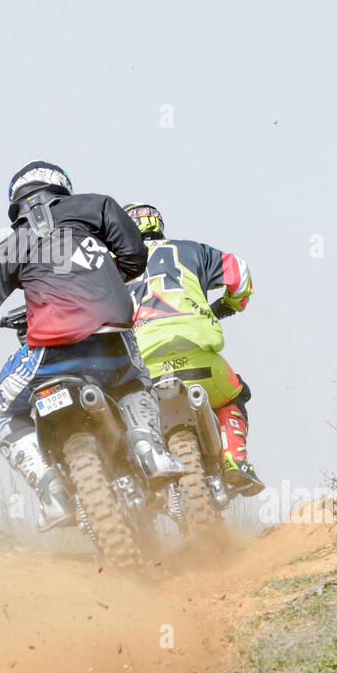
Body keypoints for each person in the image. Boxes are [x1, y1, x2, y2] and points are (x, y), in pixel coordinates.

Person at [0, 163, 182, 525]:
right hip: (111, 338)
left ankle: (52, 492)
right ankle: (150, 449)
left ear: (16, 204)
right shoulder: (98, 206)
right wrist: (102, 276)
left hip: (51, 354)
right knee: (136, 380)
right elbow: (134, 255)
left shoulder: (10, 246)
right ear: (62, 190)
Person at [123, 202, 263, 496]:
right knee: (233, 397)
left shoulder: (112, 268)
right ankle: (235, 462)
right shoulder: (191, 250)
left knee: (122, 421)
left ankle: (137, 486)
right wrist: (228, 306)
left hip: (143, 365)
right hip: (198, 356)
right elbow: (239, 272)